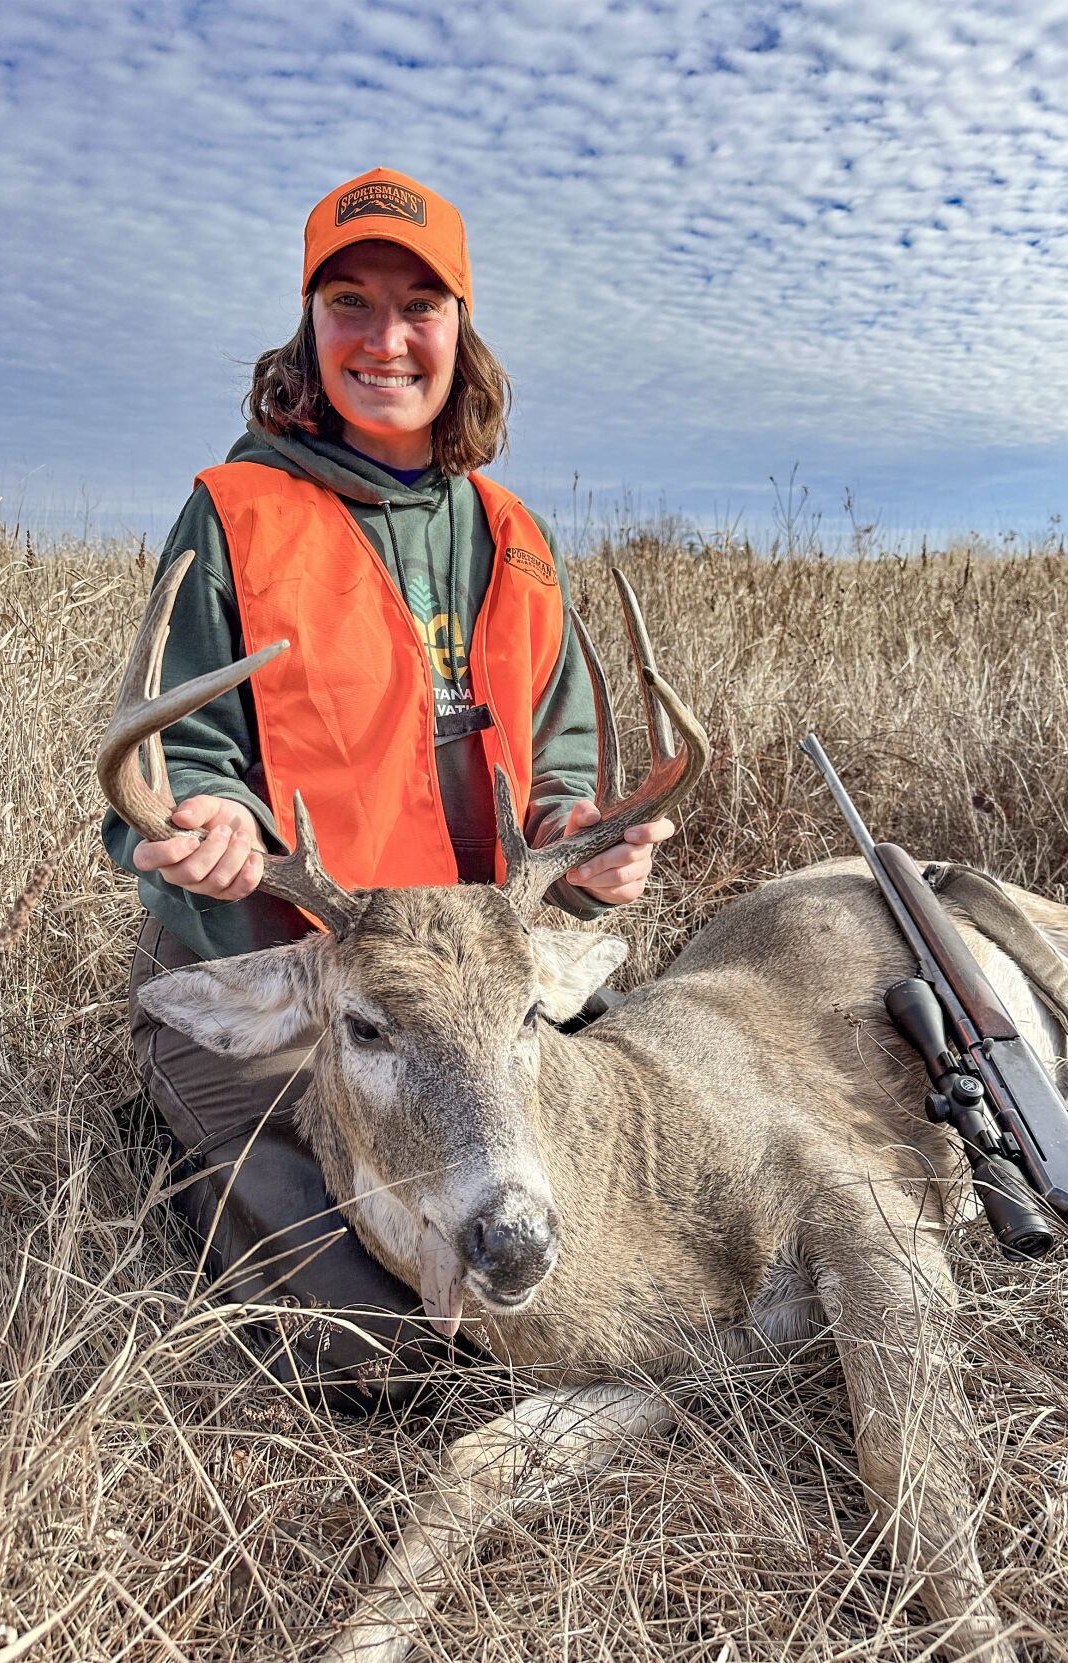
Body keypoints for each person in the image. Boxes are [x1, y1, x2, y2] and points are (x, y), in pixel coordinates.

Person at [104, 167, 675, 1412]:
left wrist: (580, 839)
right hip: (289, 975)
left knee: (615, 1243)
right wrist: (215, 825)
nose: (384, 338)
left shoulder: (517, 534)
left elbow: (560, 760)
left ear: (460, 329)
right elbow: (174, 756)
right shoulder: (236, 513)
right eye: (349, 302)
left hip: (467, 979)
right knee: (383, 1347)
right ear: (308, 329)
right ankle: (183, 1122)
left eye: (419, 305)